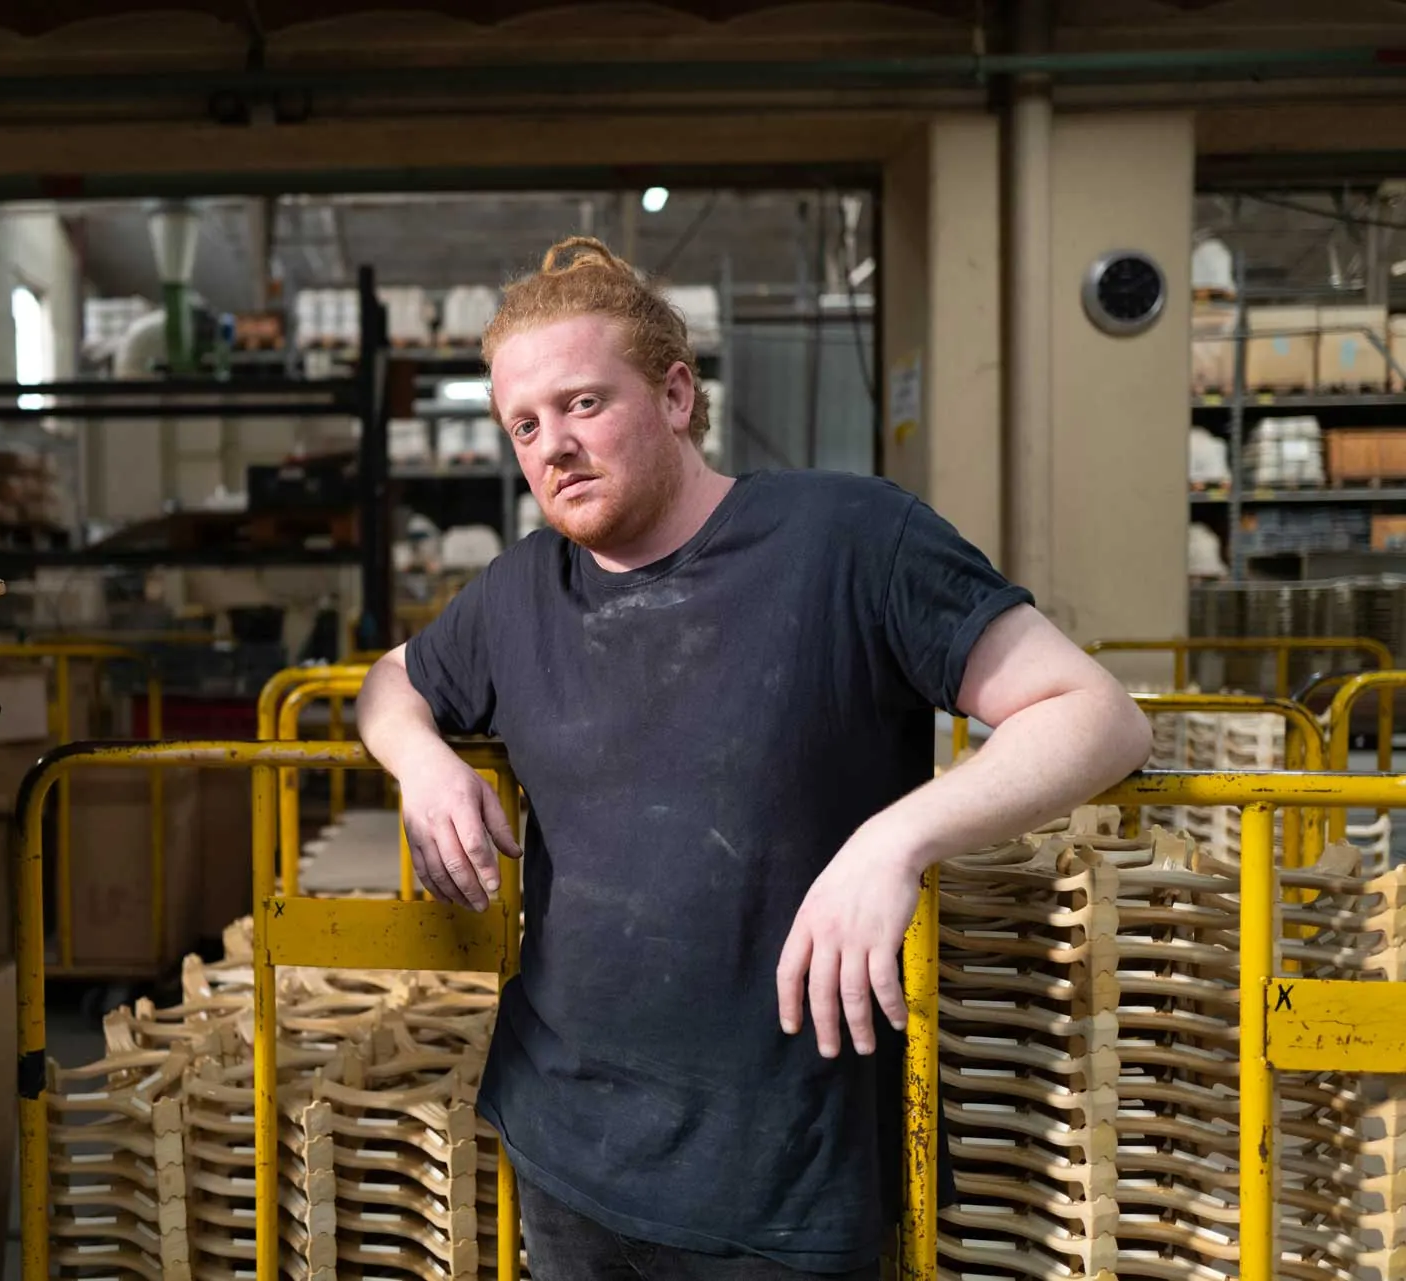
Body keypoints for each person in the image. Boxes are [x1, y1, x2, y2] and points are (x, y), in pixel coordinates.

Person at [356, 237, 1153, 1279]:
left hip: (785, 1170)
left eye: (585, 403)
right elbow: (390, 683)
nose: (553, 444)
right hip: (568, 1146)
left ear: (678, 395)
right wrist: (420, 757)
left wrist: (897, 840)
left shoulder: (850, 540)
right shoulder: (520, 594)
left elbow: (1095, 713)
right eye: (525, 423)